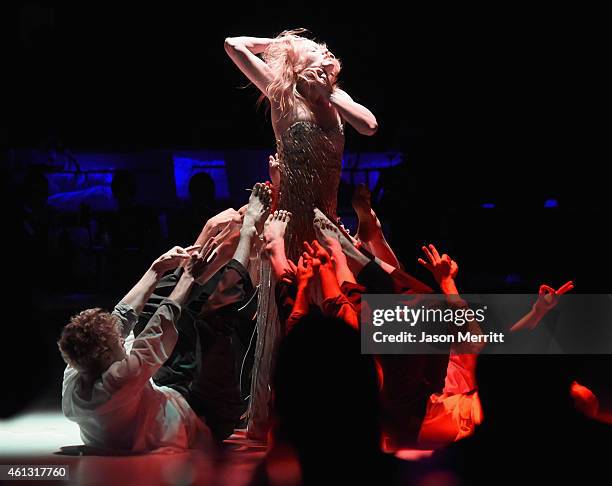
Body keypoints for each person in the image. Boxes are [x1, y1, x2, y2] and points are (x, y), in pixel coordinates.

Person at [225, 28, 378, 438]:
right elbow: (233, 45)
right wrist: (276, 46)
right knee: (288, 316)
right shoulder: (281, 93)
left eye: (325, 46)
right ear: (298, 61)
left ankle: (332, 408)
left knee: (332, 316)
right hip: (289, 224)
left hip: (326, 222)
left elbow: (369, 125)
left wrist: (328, 95)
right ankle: (283, 412)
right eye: (315, 47)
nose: (325, 48)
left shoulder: (337, 98)